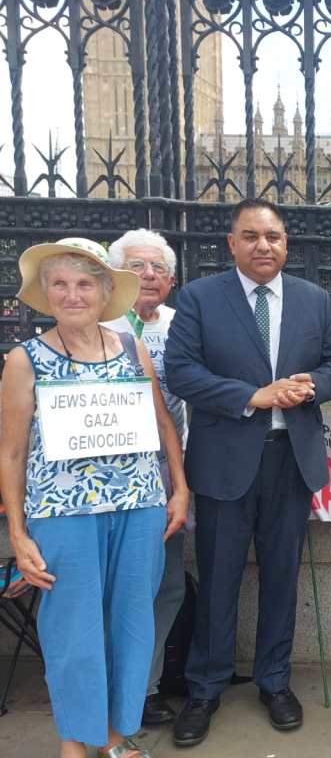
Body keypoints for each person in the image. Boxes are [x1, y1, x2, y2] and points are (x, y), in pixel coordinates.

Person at [165, 198, 331, 746]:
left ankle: (274, 681)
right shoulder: (200, 297)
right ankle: (204, 687)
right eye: (250, 236)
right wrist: (253, 395)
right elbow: (181, 373)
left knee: (281, 578)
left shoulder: (314, 300)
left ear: (286, 243)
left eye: (272, 236)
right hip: (224, 465)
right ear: (232, 243)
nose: (263, 245)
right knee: (219, 576)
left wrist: (314, 385)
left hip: (290, 461)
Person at [0, 237, 189, 758]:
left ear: (105, 291)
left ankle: (111, 733)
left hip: (139, 506)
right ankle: (74, 741)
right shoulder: (25, 359)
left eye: (84, 283)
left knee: (131, 622)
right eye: (59, 284)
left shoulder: (132, 348)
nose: (72, 294)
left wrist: (179, 487)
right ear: (45, 293)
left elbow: (160, 419)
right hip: (63, 514)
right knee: (71, 627)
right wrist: (18, 532)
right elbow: (12, 452)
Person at [104, 228, 188, 726]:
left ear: (172, 280)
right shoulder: (98, 324)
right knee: (115, 588)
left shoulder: (184, 325)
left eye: (158, 268)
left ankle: (144, 687)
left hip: (168, 476)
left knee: (165, 585)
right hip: (109, 479)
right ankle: (111, 693)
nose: (149, 275)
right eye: (137, 266)